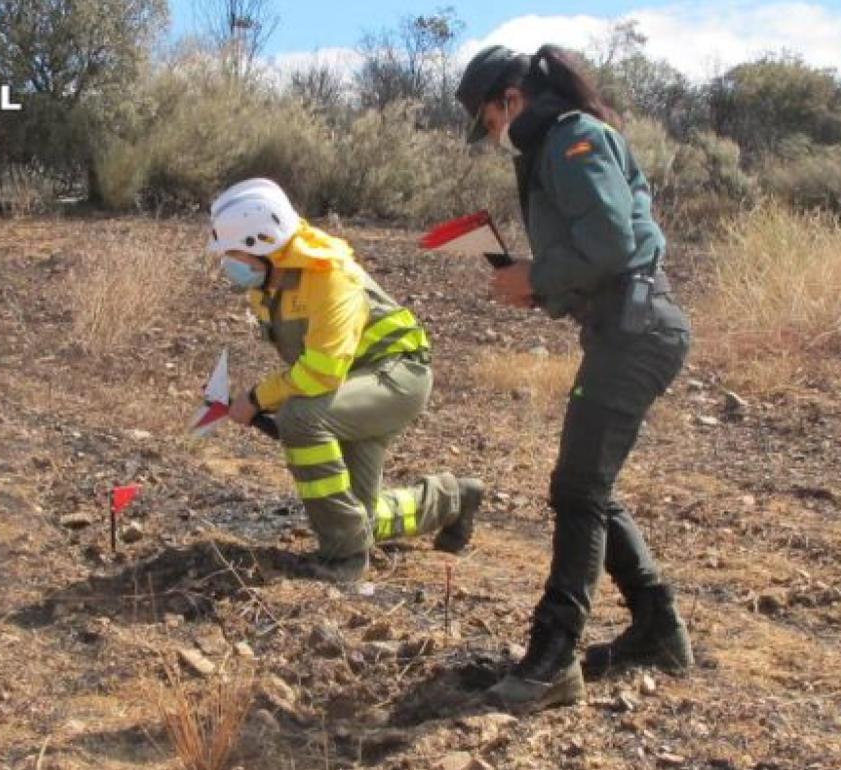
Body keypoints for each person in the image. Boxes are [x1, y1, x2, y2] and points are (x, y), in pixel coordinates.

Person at [454, 45, 695, 710]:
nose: (495, 134)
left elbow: (615, 246)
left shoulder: (573, 139)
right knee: (588, 485)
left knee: (577, 491)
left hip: (638, 331)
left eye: (490, 118)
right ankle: (657, 628)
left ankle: (553, 660)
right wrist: (538, 285)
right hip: (624, 326)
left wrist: (535, 275)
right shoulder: (561, 142)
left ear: (510, 98)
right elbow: (597, 254)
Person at [209, 178, 485, 583]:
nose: (227, 265)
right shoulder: (269, 283)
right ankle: (453, 498)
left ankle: (344, 559)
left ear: (261, 243)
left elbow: (320, 372)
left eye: (233, 254)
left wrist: (258, 397)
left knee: (301, 418)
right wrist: (263, 403)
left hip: (396, 378)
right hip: (352, 384)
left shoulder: (328, 276)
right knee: (359, 514)